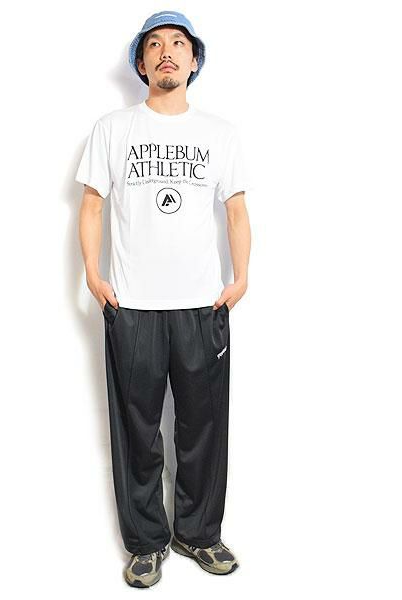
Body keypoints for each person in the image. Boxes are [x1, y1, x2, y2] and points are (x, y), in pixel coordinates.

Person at [75, 10, 252, 588]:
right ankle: (146, 542)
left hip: (203, 305)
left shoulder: (220, 134)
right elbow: (93, 205)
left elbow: (236, 210)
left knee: (204, 428)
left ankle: (198, 534)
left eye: (178, 43)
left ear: (193, 61)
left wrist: (241, 277)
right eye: (154, 45)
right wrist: (93, 276)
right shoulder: (113, 129)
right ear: (142, 63)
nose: (167, 52)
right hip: (132, 306)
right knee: (137, 432)